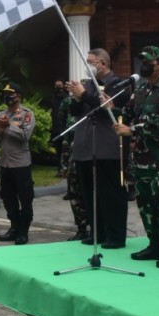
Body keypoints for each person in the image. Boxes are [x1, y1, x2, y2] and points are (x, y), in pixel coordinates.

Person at [115, 46, 159, 268]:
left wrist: (133, 130)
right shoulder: (142, 89)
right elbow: (126, 113)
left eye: (149, 62)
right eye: (142, 61)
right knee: (146, 204)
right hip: (141, 159)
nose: (144, 66)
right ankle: (155, 244)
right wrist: (113, 105)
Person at [68, 48, 130, 249]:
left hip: (107, 147)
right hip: (85, 146)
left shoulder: (117, 83)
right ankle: (97, 233)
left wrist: (84, 95)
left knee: (110, 194)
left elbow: (106, 108)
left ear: (102, 64)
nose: (87, 66)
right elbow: (75, 112)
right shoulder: (87, 85)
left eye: (90, 62)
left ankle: (116, 236)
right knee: (89, 194)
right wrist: (77, 97)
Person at [0, 83, 36, 245]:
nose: (6, 97)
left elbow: (25, 136)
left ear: (18, 96)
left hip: (21, 164)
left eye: (10, 94)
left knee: (25, 198)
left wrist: (8, 126)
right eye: (5, 94)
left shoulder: (26, 114)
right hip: (5, 163)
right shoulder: (1, 114)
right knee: (8, 197)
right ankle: (14, 227)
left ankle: (23, 231)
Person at [56, 92, 90, 241]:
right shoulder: (71, 117)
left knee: (90, 195)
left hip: (89, 160)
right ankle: (81, 228)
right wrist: (64, 165)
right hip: (73, 160)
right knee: (75, 195)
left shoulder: (92, 113)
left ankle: (96, 228)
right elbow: (65, 142)